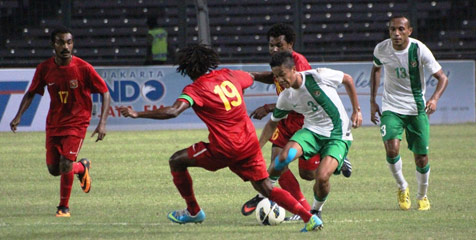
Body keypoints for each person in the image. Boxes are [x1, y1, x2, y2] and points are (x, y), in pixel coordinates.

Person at [119, 44, 322, 232]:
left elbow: (173, 111)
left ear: (187, 69)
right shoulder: (230, 74)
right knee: (267, 188)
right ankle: (309, 218)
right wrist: (288, 80)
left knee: (176, 161)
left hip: (225, 148)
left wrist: (137, 114)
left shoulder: (195, 89)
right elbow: (263, 76)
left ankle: (193, 212)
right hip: (249, 144)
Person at [241, 23, 352, 220]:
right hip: (285, 119)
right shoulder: (279, 66)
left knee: (309, 174)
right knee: (279, 160)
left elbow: (300, 90)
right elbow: (277, 79)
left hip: (302, 120)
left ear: (290, 44)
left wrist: (268, 107)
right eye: (271, 45)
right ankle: (290, 202)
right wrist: (255, 77)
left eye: (279, 45)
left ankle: (335, 159)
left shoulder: (300, 64)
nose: (274, 49)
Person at [9, 26, 111, 217]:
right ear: (53, 45)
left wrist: (102, 122)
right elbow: (31, 93)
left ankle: (63, 207)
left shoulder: (84, 68)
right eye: (61, 42)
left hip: (77, 122)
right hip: (54, 123)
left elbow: (105, 92)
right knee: (54, 169)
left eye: (69, 42)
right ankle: (82, 167)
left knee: (65, 164)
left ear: (73, 44)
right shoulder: (45, 68)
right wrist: (18, 115)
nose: (66, 46)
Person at [259, 50, 362, 224]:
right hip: (311, 132)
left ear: (293, 69)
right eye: (277, 77)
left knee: (322, 178)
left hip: (338, 135)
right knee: (285, 156)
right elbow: (272, 123)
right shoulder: (286, 96)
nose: (281, 81)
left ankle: (316, 210)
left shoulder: (318, 76)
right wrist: (256, 148)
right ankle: (265, 192)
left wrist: (356, 110)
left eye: (283, 75)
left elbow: (348, 80)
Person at [370, 16, 448, 211]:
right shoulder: (381, 49)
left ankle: (422, 195)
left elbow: (442, 78)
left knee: (421, 157)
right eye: (392, 29)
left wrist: (434, 99)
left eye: (401, 29)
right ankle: (402, 186)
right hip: (391, 107)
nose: (396, 33)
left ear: (409, 31)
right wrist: (372, 101)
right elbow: (376, 70)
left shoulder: (419, 49)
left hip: (416, 109)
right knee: (392, 149)